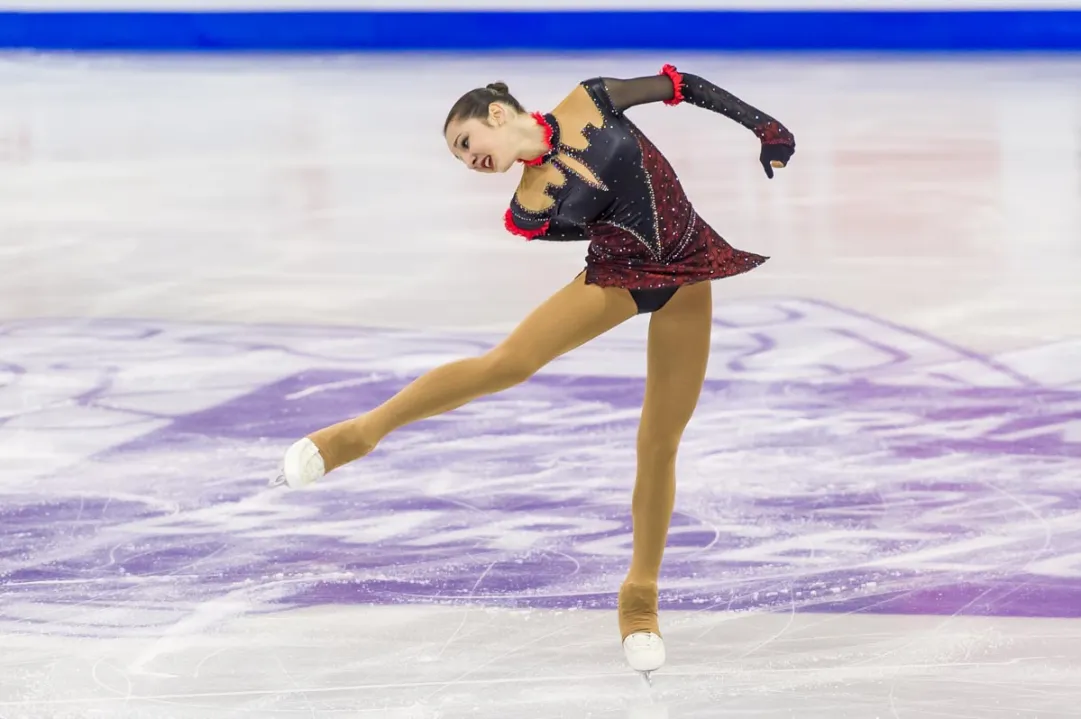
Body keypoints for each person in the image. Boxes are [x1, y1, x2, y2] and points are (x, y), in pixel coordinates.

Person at [273, 64, 795, 675]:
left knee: (659, 442)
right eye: (460, 159)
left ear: (497, 113)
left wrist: (765, 127)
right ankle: (353, 435)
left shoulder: (592, 101)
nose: (469, 161)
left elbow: (683, 87)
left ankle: (639, 599)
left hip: (688, 274)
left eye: (466, 144)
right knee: (509, 363)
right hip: (619, 281)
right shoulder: (528, 208)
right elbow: (600, 230)